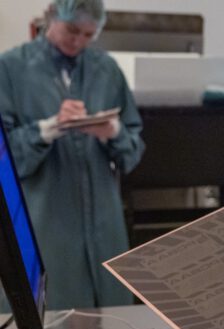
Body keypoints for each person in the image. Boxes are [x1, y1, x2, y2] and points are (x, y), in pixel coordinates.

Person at [0, 0, 144, 309]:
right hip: (45, 223)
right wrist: (48, 129)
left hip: (105, 224)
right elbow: (4, 159)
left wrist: (112, 132)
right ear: (51, 16)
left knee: (113, 317)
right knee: (49, 316)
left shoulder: (106, 70)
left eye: (89, 35)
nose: (78, 41)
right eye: (72, 30)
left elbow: (132, 151)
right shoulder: (10, 68)